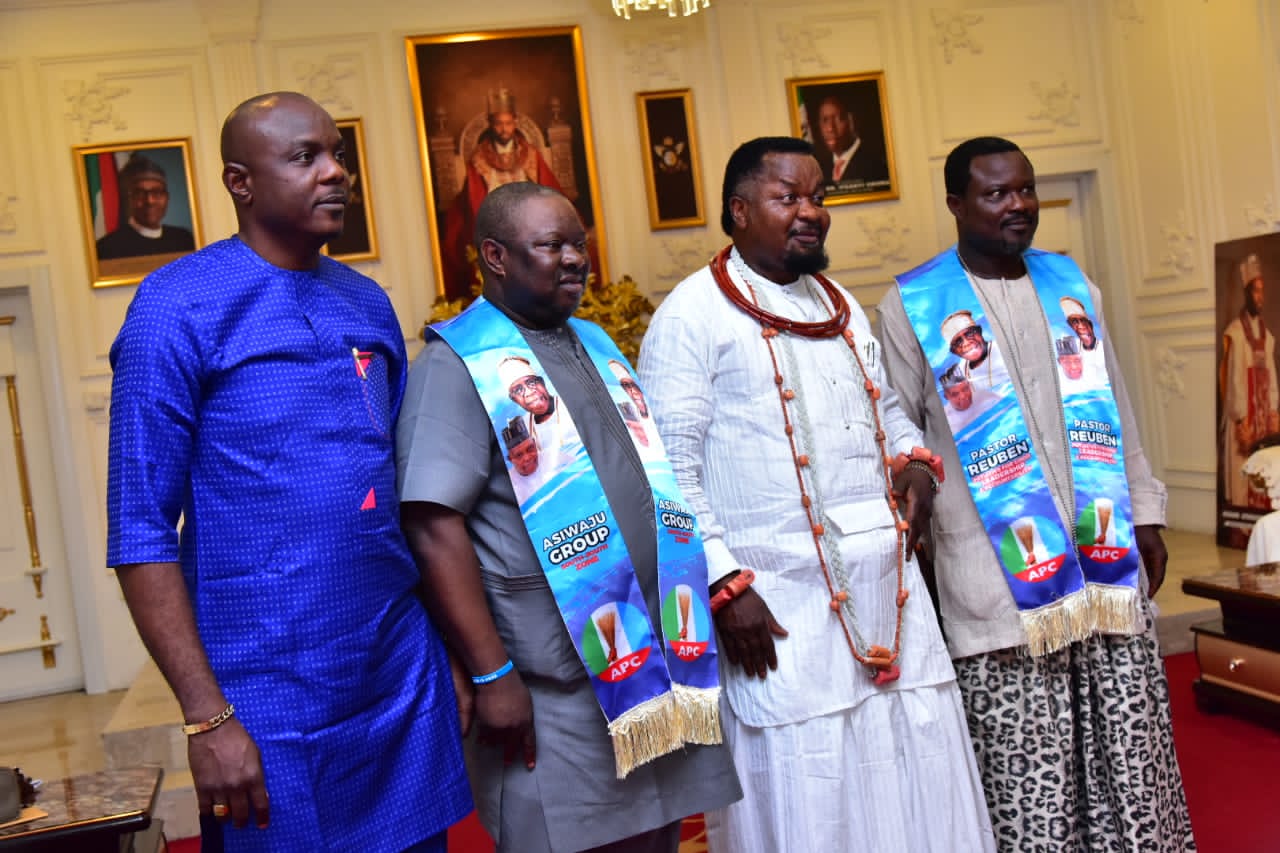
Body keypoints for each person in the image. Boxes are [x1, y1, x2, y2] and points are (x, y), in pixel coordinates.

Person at [105, 91, 471, 852]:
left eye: (338, 153)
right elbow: (139, 529)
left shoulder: (366, 302)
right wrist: (208, 718)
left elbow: (405, 498)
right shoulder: (175, 307)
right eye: (306, 157)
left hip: (398, 678)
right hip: (265, 697)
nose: (336, 173)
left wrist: (456, 659)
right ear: (240, 181)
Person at [638, 136, 993, 852]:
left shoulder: (839, 304)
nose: (812, 213)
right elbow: (666, 470)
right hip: (777, 602)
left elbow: (884, 406)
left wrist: (913, 460)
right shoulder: (691, 315)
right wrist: (724, 585)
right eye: (788, 198)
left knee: (913, 769)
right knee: (808, 789)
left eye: (819, 197)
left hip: (885, 593)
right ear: (738, 211)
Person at [397, 181, 741, 853]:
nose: (573, 258)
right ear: (495, 256)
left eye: (578, 243)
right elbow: (433, 525)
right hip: (553, 688)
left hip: (651, 662)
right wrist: (491, 673)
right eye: (549, 244)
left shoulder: (593, 340)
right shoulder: (454, 364)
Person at [878, 135, 1194, 851]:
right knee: (1030, 776)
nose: (1018, 205)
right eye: (996, 193)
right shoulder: (912, 304)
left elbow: (1114, 402)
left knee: (1129, 751)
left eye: (1026, 189)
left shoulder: (1070, 282)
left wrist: (1144, 509)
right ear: (956, 204)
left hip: (1100, 553)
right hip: (995, 578)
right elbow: (894, 424)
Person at [440, 87, 570, 299]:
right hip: (496, 228)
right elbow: (474, 202)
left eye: (508, 123)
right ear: (491, 125)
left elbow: (548, 190)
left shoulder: (530, 154)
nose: (504, 129)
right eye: (499, 124)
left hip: (532, 225)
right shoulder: (479, 158)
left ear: (515, 123)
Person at [1221, 252, 1280, 507]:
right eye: (1255, 291)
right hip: (1243, 419)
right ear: (1247, 293)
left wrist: (1275, 412)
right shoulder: (1235, 332)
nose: (1260, 297)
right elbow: (1234, 380)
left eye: (1262, 291)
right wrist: (1242, 419)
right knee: (1242, 471)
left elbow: (1272, 376)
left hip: (1264, 418)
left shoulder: (1266, 335)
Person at [96, 154, 196, 260]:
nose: (150, 201)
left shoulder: (184, 239)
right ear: (129, 198)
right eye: (140, 193)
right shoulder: (108, 248)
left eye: (157, 192)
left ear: (167, 197)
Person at [498, 354, 583, 460]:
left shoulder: (573, 402)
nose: (529, 392)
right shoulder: (522, 428)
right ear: (514, 400)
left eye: (531, 382)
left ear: (542, 383)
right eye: (518, 390)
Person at [814, 94, 889, 192]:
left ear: (851, 121)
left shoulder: (876, 165)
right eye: (825, 120)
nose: (830, 128)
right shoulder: (819, 169)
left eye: (837, 119)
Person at [1060, 295, 1106, 382]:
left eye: (1083, 321)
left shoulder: (1103, 348)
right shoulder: (1073, 347)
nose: (1081, 326)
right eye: (1075, 322)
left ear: (1090, 325)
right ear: (1071, 326)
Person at [940, 362, 997, 432]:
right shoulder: (945, 422)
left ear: (969, 386)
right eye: (955, 394)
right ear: (946, 397)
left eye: (965, 389)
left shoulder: (987, 398)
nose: (963, 396)